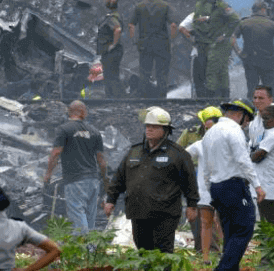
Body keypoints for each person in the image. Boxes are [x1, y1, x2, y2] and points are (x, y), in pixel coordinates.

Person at [105, 107, 199, 253]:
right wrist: (111, 199)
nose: (149, 129)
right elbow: (119, 177)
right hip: (138, 211)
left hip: (165, 213)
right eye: (148, 126)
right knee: (143, 249)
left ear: (166, 130)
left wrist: (192, 206)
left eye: (154, 127)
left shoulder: (177, 154)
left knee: (163, 251)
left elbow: (189, 182)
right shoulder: (134, 151)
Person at [202, 99, 265, 271]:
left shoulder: (210, 133)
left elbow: (205, 167)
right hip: (233, 185)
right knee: (245, 226)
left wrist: (211, 190)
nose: (246, 125)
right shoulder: (234, 131)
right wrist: (257, 186)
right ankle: (223, 270)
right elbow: (243, 160)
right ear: (239, 115)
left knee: (230, 230)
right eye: (247, 121)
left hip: (216, 186)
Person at [43, 100, 106, 233]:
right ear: (84, 113)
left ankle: (81, 250)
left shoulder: (64, 129)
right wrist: (104, 180)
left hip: (75, 179)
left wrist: (48, 174)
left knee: (77, 216)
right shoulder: (95, 131)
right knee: (90, 218)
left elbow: (55, 153)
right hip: (93, 180)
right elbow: (101, 159)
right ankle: (91, 250)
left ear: (69, 112)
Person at [182, 106, 224, 262]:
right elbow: (182, 156)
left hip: (210, 188)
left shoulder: (202, 143)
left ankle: (213, 253)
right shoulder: (200, 143)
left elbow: (181, 156)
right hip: (208, 188)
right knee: (209, 221)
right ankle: (209, 253)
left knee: (212, 222)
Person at [128, 0, 178, 98]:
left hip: (144, 43)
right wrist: (171, 40)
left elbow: (131, 25)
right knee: (162, 73)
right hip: (162, 44)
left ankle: (144, 98)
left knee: (144, 72)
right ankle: (161, 99)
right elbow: (173, 25)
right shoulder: (165, 6)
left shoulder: (140, 6)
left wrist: (134, 41)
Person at [190, 0, 240, 98]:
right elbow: (216, 20)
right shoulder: (212, 7)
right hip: (216, 42)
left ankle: (210, 97)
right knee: (222, 71)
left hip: (220, 44)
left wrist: (225, 34)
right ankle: (224, 96)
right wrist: (205, 19)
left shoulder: (223, 6)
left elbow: (236, 20)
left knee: (211, 70)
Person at [231, 0, 274, 98]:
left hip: (249, 59)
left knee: (252, 88)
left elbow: (232, 38)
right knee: (270, 89)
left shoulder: (244, 23)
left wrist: (239, 52)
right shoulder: (271, 23)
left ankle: (252, 109)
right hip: (267, 60)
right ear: (263, 10)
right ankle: (271, 109)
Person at [96, 0, 124, 98]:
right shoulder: (115, 16)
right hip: (113, 51)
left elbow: (118, 30)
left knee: (110, 75)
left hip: (111, 51)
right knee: (111, 74)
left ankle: (114, 97)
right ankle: (114, 97)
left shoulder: (111, 18)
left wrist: (113, 45)